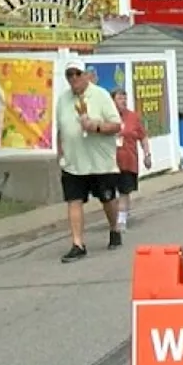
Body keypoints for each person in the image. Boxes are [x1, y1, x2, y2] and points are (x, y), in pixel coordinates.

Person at [56, 60, 125, 263]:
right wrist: (60, 154)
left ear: (86, 75)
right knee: (74, 201)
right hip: (74, 162)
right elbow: (61, 129)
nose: (74, 78)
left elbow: (116, 125)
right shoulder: (63, 100)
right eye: (69, 74)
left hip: (100, 162)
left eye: (77, 73)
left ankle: (114, 228)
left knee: (107, 199)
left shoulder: (101, 95)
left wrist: (95, 126)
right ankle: (78, 244)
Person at [111, 88, 151, 232]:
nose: (123, 101)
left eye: (125, 98)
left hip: (128, 160)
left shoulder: (133, 117)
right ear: (112, 101)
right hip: (110, 162)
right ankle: (117, 214)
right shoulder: (107, 117)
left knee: (124, 191)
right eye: (120, 98)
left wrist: (147, 155)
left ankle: (121, 220)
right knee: (110, 193)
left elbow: (143, 137)